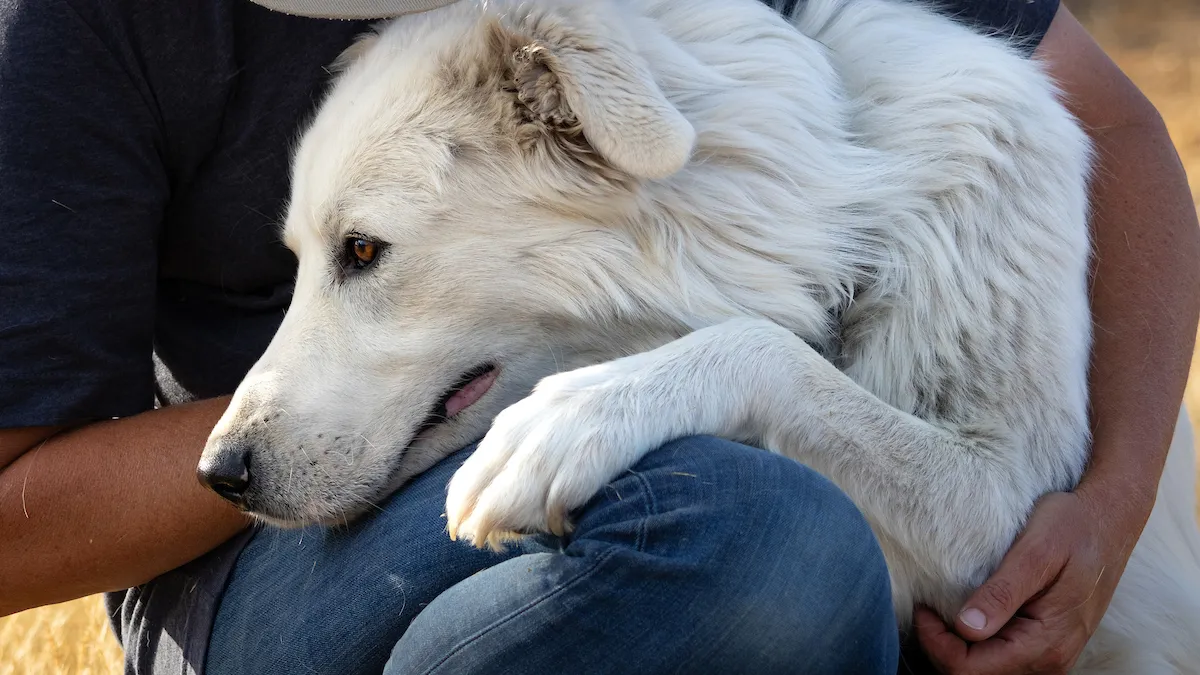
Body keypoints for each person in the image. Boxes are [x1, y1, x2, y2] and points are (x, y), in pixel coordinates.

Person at [0, 0, 1195, 673]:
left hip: (682, 452)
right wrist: (374, 417)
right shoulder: (87, 30)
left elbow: (1113, 128)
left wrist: (1118, 496)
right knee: (753, 531)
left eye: (361, 258)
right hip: (264, 587)